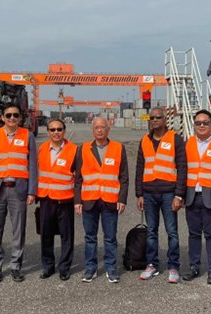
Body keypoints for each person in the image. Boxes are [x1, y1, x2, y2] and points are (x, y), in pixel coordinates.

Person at [0, 103, 37, 283]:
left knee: (18, 231)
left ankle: (15, 266)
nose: (12, 118)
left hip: (18, 190)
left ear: (20, 117)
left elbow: (32, 166)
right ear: (2, 117)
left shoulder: (27, 136)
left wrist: (32, 191)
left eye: (15, 115)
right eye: (8, 115)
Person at [135, 106, 187, 283]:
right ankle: (152, 264)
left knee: (172, 231)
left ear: (165, 120)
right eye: (152, 118)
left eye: (158, 117)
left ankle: (173, 266)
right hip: (149, 194)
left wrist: (179, 195)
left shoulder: (175, 139)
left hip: (168, 193)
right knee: (151, 231)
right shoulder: (144, 141)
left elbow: (182, 168)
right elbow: (139, 168)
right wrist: (139, 194)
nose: (154, 120)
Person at [75, 117, 128, 284]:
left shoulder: (119, 148)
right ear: (93, 130)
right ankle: (90, 267)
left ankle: (111, 268)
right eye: (96, 127)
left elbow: (124, 177)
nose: (99, 130)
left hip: (110, 200)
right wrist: (77, 201)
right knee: (90, 237)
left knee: (110, 237)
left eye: (102, 127)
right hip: (89, 200)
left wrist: (122, 199)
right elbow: (78, 178)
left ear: (108, 130)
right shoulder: (83, 149)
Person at [181, 110, 211, 285]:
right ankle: (194, 267)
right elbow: (182, 172)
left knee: (210, 234)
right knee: (193, 234)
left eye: (205, 123)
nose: (202, 126)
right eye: (198, 123)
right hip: (192, 197)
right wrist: (179, 195)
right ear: (194, 125)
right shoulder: (187, 144)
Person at [36, 119, 77, 281]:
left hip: (65, 199)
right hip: (46, 198)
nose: (56, 132)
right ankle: (47, 266)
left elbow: (79, 177)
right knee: (46, 234)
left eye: (59, 129)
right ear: (48, 132)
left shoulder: (74, 150)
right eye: (52, 130)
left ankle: (64, 267)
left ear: (64, 131)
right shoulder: (42, 149)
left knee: (66, 235)